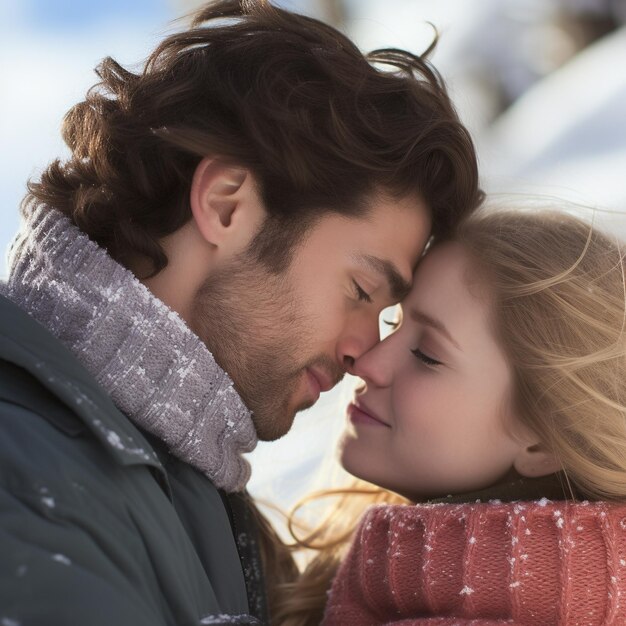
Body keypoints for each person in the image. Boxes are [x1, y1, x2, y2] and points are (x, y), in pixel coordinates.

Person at [0, 1, 482, 624]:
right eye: (362, 291)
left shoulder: (182, 485)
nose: (365, 351)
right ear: (227, 207)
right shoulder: (25, 472)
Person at [273, 207, 626, 626]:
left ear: (544, 442)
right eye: (393, 322)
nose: (367, 362)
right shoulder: (373, 584)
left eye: (426, 356)